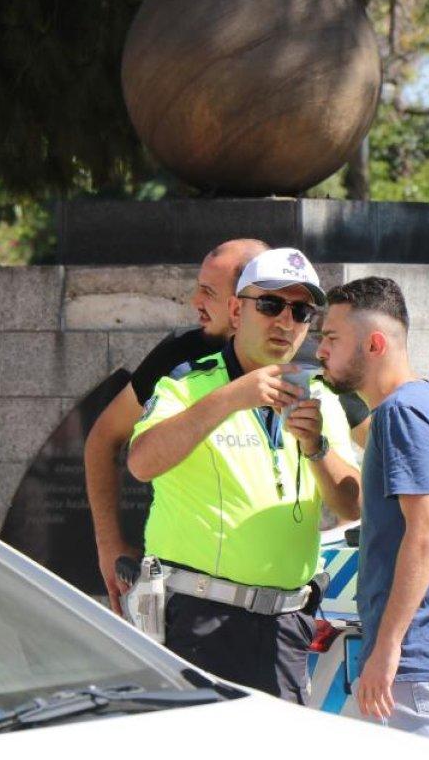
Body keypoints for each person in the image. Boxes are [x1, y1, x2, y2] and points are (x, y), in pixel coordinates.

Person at [127, 248, 361, 703]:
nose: (286, 321)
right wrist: (232, 398)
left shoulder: (320, 396)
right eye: (271, 304)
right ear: (236, 311)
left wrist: (317, 447)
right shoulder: (187, 384)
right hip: (199, 619)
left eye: (301, 312)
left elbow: (350, 506)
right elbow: (141, 463)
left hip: (286, 627)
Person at [316, 276, 429, 743]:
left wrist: (388, 647)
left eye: (332, 338)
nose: (320, 351)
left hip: (416, 666)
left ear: (374, 344)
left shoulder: (400, 414)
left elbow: (428, 532)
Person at [84, 238, 267, 615]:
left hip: (279, 606)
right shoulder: (179, 356)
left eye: (208, 292)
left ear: (241, 305)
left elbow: (371, 443)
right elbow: (104, 437)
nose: (194, 302)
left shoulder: (305, 365)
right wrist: (109, 545)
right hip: (187, 599)